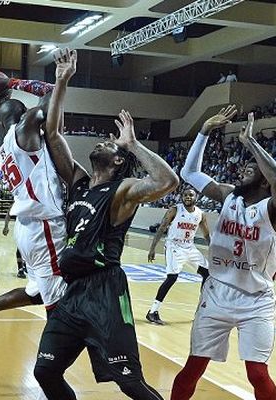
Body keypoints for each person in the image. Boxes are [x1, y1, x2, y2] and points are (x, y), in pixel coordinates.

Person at [34, 50, 178, 399]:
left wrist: (133, 144)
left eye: (109, 143)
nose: (101, 140)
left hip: (105, 292)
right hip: (73, 293)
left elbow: (167, 180)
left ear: (117, 160)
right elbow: (52, 134)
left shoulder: (122, 192)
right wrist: (62, 81)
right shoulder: (80, 182)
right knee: (45, 371)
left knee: (130, 382)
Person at [0, 56, 72, 346]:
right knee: (58, 305)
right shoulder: (25, 127)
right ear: (24, 116)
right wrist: (13, 83)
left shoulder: (4, 146)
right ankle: (52, 363)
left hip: (28, 228)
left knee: (36, 291)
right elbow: (50, 94)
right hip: (45, 227)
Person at [172, 109, 276, 400]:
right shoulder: (229, 195)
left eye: (250, 168)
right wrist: (204, 131)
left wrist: (252, 144)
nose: (242, 169)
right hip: (217, 294)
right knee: (193, 367)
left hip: (256, 300)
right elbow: (189, 173)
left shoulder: (271, 210)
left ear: (266, 180)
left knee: (257, 373)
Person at [146, 188, 211, 324]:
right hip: (174, 247)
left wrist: (213, 249)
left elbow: (206, 234)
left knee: (207, 273)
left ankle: (201, 311)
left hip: (189, 247)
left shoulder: (200, 214)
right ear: (182, 197)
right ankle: (152, 311)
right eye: (185, 195)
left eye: (191, 195)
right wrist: (152, 248)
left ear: (196, 197)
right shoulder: (175, 210)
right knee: (172, 278)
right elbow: (162, 228)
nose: (188, 197)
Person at [2, 207, 26, 278]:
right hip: (21, 228)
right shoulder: (19, 201)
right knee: (20, 248)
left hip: (32, 229)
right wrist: (6, 226)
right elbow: (9, 214)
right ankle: (20, 268)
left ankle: (25, 265)